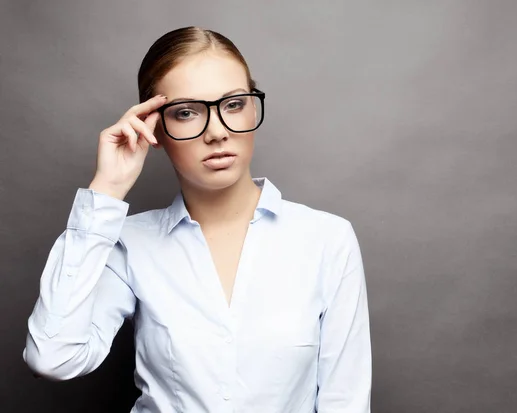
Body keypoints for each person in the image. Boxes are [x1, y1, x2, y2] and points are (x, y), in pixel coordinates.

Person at [23, 26, 372, 413]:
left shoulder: (327, 239)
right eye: (187, 112)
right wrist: (106, 190)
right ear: (154, 125)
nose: (218, 132)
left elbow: (346, 401)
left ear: (254, 106)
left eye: (234, 104)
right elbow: (52, 358)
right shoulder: (129, 243)